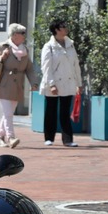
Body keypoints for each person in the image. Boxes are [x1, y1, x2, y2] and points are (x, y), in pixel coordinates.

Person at [0, 23, 39, 148]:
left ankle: (0, 137)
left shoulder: (25, 49)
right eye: (22, 33)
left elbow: (29, 68)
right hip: (4, 84)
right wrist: (0, 57)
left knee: (7, 113)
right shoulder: (3, 47)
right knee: (8, 113)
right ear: (15, 35)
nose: (24, 36)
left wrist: (34, 83)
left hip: (18, 85)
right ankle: (11, 137)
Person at [39, 19, 83, 147]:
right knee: (51, 110)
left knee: (65, 111)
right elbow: (46, 67)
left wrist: (79, 83)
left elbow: (75, 65)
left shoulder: (71, 44)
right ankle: (49, 138)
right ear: (57, 30)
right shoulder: (49, 47)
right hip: (53, 82)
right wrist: (51, 84)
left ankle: (68, 139)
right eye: (63, 27)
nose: (66, 28)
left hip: (68, 82)